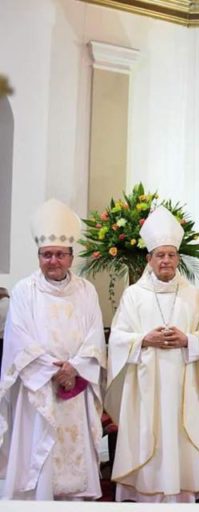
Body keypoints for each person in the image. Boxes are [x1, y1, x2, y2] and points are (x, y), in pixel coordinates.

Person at [0, 198, 106, 500]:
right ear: (38, 257)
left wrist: (75, 368)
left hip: (76, 385)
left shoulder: (86, 290)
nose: (53, 261)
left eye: (60, 254)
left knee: (75, 458)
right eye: (47, 255)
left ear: (71, 257)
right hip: (38, 391)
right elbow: (19, 338)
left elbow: (94, 336)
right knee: (39, 454)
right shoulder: (24, 290)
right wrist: (54, 371)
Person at [105, 206, 199, 502]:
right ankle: (144, 494)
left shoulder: (195, 295)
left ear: (178, 258)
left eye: (171, 255)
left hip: (184, 382)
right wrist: (144, 339)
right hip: (145, 384)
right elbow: (118, 338)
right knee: (146, 432)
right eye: (160, 255)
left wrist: (187, 339)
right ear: (149, 259)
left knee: (180, 432)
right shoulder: (133, 295)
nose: (166, 260)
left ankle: (183, 494)